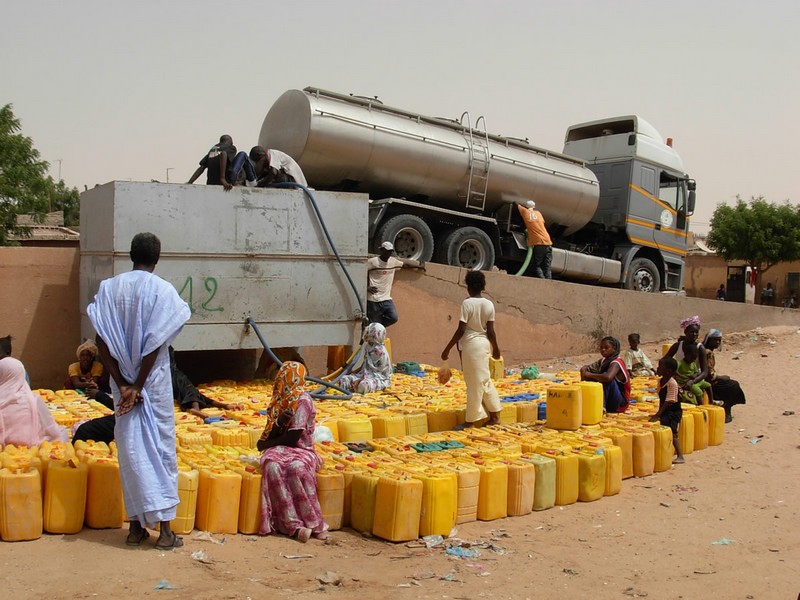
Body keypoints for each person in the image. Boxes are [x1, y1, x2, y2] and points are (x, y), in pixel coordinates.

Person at [87, 232, 191, 550]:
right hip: (151, 384)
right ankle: (166, 532)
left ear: (130, 255)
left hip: (122, 384)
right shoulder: (163, 291)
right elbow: (155, 341)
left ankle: (135, 529)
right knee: (160, 452)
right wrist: (138, 385)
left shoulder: (109, 289)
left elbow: (100, 339)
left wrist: (121, 383)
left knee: (130, 451)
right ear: (157, 258)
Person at [257, 361, 328, 543]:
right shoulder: (279, 401)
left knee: (296, 468)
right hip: (280, 448)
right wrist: (280, 422)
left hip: (302, 450)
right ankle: (289, 524)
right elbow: (267, 437)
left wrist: (267, 445)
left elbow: (293, 437)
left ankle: (314, 522)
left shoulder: (303, 400)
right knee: (271, 465)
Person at [441, 270, 502, 427]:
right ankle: (495, 416)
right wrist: (496, 348)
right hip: (484, 344)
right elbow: (491, 331)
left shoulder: (467, 303)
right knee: (484, 380)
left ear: (468, 287)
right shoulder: (489, 304)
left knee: (474, 383)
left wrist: (447, 349)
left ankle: (471, 421)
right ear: (482, 286)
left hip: (471, 345)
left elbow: (461, 330)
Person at [1, 356, 68, 446]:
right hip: (32, 450)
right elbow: (52, 430)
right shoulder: (33, 400)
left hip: (4, 452)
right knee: (62, 431)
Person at [170, 347, 242, 420]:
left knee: (193, 392)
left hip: (170, 371)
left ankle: (224, 406)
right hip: (166, 373)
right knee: (186, 387)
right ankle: (196, 408)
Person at [367, 241, 425, 328]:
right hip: (373, 300)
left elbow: (404, 265)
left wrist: (419, 266)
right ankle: (373, 329)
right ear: (382, 250)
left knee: (393, 317)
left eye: (390, 251)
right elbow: (360, 272)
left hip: (386, 299)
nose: (389, 253)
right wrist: (366, 287)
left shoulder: (392, 262)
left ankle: (376, 327)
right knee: (373, 325)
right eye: (387, 251)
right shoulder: (373, 262)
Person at [703, 329, 747, 423]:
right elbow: (709, 374)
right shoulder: (707, 352)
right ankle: (726, 411)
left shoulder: (705, 349)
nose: (718, 342)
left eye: (719, 340)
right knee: (732, 386)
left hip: (706, 379)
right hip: (707, 381)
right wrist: (721, 377)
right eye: (715, 340)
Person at [580, 336, 630, 413]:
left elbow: (608, 377)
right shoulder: (604, 360)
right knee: (595, 377)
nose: (603, 350)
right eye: (601, 348)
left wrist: (589, 375)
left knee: (606, 378)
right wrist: (584, 371)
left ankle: (602, 407)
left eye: (606, 348)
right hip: (610, 399)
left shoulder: (616, 363)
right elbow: (587, 368)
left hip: (620, 402)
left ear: (614, 348)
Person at [338, 323, 392, 394]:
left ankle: (356, 394)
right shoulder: (368, 347)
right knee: (344, 379)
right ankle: (347, 392)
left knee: (363, 385)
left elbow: (377, 373)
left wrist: (360, 380)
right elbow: (365, 365)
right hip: (364, 375)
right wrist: (353, 372)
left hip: (379, 379)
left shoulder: (379, 351)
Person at [649, 356, 684, 464]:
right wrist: (658, 413)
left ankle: (680, 455)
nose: (658, 368)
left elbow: (669, 401)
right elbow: (661, 399)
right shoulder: (661, 381)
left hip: (673, 411)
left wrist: (657, 415)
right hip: (665, 410)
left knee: (672, 432)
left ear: (668, 370)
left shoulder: (672, 383)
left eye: (660, 367)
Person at [516, 200, 552, 279]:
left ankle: (542, 281)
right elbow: (541, 222)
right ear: (534, 207)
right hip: (548, 241)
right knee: (547, 266)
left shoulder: (525, 212)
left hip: (538, 243)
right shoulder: (538, 213)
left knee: (537, 265)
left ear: (526, 207)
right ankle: (549, 282)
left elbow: (517, 205)